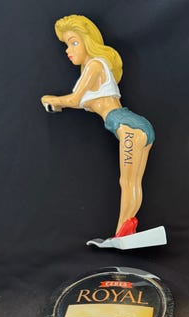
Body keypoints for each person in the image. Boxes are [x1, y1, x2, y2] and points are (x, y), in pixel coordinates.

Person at [41, 14, 155, 238]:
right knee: (131, 181)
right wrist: (60, 104)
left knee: (127, 181)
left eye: (74, 42)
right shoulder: (97, 71)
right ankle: (126, 231)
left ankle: (122, 234)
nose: (68, 50)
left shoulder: (94, 64)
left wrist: (51, 99)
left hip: (127, 126)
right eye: (67, 45)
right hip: (135, 126)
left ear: (87, 41)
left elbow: (75, 99)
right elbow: (82, 102)